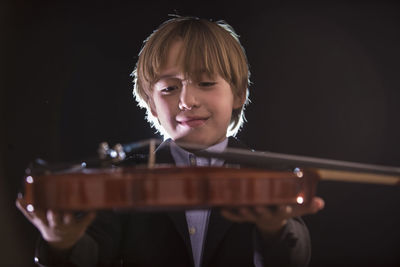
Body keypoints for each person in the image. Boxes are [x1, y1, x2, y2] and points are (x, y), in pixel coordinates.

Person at [16, 16, 324, 267]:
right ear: (150, 104)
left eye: (205, 83)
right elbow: (92, 255)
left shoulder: (270, 176)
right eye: (169, 88)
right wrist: (62, 243)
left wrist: (275, 230)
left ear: (239, 94)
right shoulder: (124, 180)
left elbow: (293, 258)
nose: (187, 101)